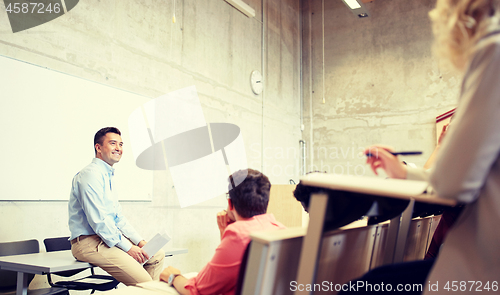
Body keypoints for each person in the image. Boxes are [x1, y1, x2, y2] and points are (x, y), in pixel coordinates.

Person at [353, 0, 500, 293]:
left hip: (484, 267)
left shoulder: (492, 50)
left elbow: (452, 182)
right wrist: (405, 173)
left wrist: (414, 171)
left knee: (364, 287)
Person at [160, 169, 285, 295]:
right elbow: (231, 274)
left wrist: (174, 276)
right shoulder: (280, 229)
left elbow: (197, 291)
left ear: (230, 203)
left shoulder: (238, 234)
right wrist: (224, 232)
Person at [68, 127, 164, 285]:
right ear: (98, 148)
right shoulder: (90, 175)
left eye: (121, 144)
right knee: (144, 282)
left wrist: (140, 242)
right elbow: (99, 221)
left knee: (156, 255)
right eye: (113, 143)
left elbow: (117, 218)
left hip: (104, 239)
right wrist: (129, 248)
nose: (118, 148)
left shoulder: (107, 175)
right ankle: (147, 289)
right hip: (88, 244)